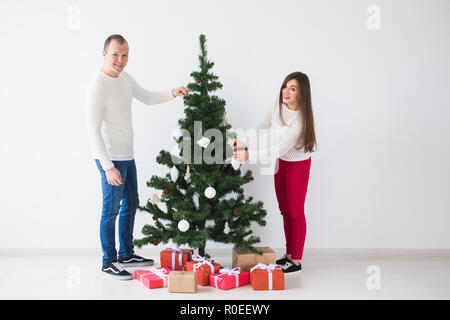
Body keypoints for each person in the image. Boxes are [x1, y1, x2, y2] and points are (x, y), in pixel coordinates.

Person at [86, 34, 188, 280]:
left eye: (124, 55)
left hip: (127, 156)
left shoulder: (125, 79)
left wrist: (172, 92)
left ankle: (126, 253)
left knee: (131, 203)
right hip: (111, 160)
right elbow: (93, 131)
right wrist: (108, 166)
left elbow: (147, 97)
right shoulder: (97, 85)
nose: (120, 60)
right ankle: (108, 261)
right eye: (115, 55)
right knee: (110, 210)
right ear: (104, 54)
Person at [231, 71, 317, 275]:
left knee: (295, 212)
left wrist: (248, 155)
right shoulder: (277, 105)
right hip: (282, 165)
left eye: (293, 88)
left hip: (298, 166)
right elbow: (262, 127)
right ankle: (289, 255)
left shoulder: (301, 120)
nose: (286, 91)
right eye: (285, 86)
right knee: (284, 209)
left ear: (301, 94)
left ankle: (295, 260)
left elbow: (277, 149)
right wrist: (244, 141)